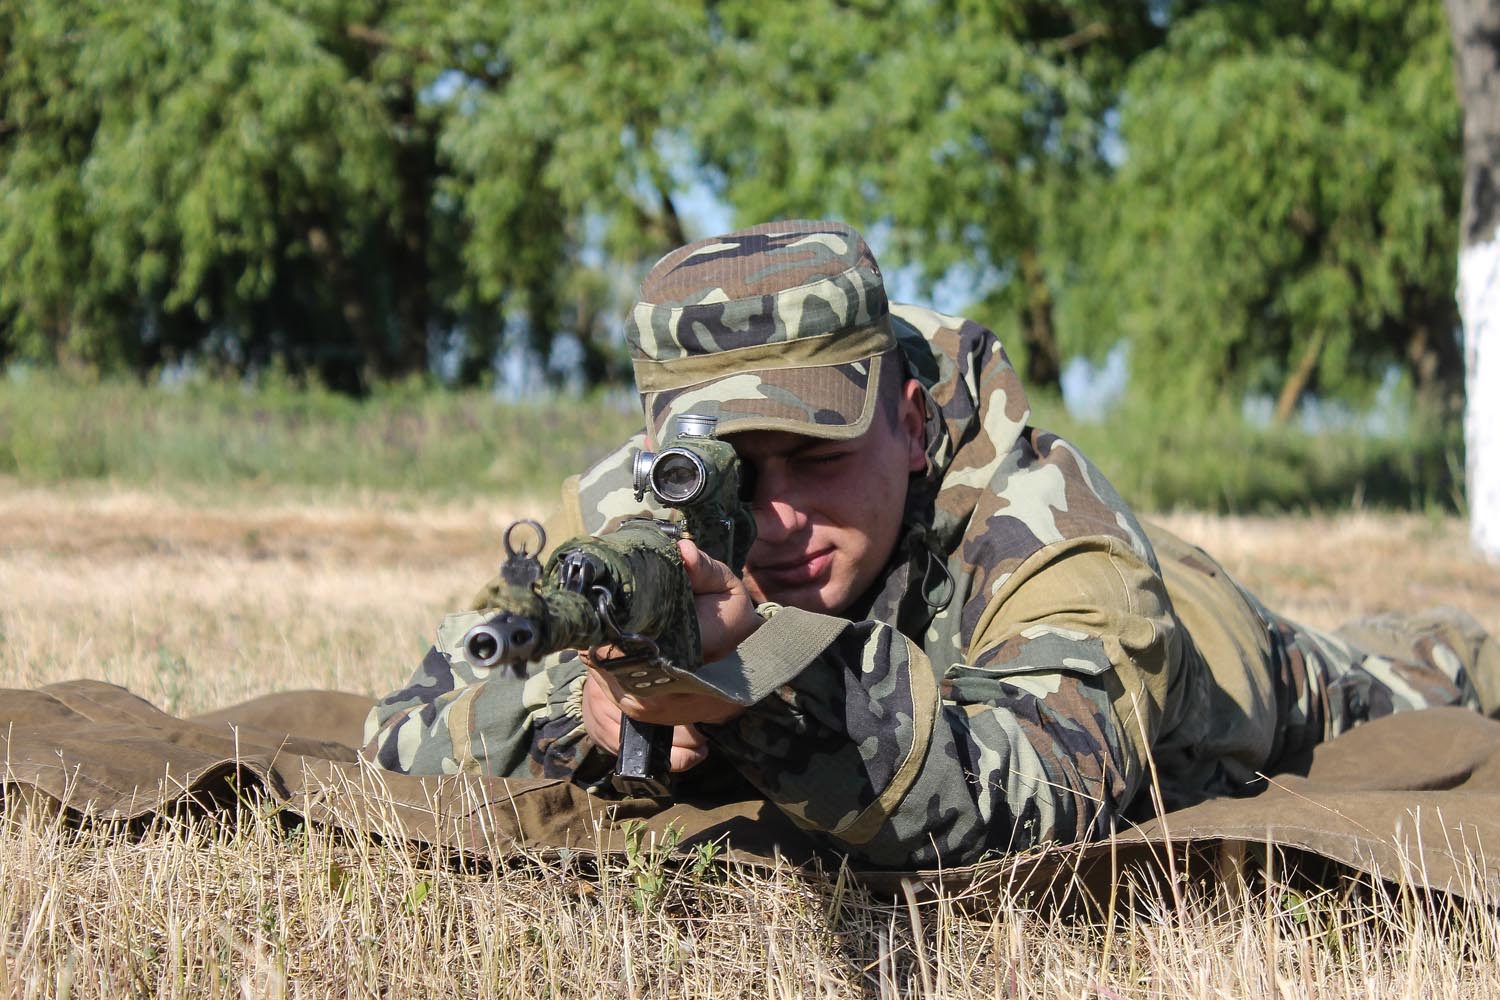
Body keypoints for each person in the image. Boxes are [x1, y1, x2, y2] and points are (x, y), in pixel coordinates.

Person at [363, 220, 1500, 868]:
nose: (775, 517)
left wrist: (754, 690)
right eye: (728, 473)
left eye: (814, 457)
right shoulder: (632, 520)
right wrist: (589, 714)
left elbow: (1042, 790)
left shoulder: (1040, 518)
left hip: (1203, 656)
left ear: (908, 425)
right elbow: (407, 725)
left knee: (1410, 677)